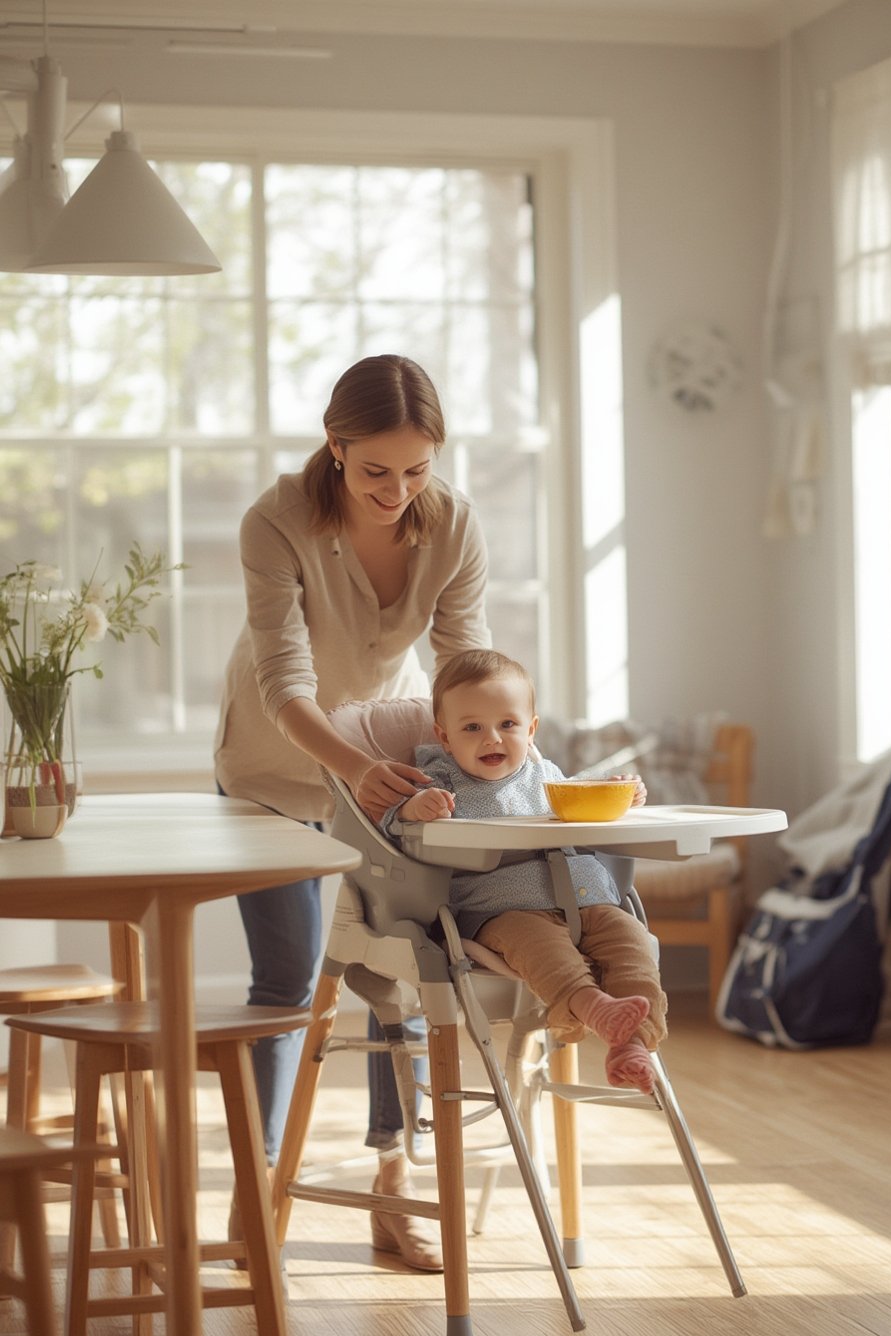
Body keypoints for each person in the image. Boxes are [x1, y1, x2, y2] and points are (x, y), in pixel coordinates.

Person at [214, 354, 492, 1272]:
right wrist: (355, 768)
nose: (397, 491)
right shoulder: (276, 522)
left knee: (398, 975)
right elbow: (284, 680)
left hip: (387, 758)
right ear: (336, 447)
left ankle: (392, 1187)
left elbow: (466, 667)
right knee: (290, 981)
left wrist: (493, 754)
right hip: (279, 764)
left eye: (416, 471)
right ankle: (253, 1198)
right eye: (376, 470)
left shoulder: (451, 525)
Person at [379, 649, 668, 1093]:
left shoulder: (545, 775)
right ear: (445, 737)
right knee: (544, 951)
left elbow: (580, 803)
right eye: (472, 727)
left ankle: (631, 1042)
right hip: (502, 912)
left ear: (530, 729)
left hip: (587, 899)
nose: (491, 738)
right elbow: (391, 825)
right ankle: (593, 1007)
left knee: (634, 946)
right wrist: (415, 808)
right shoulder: (439, 780)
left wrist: (616, 796)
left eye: (507, 725)